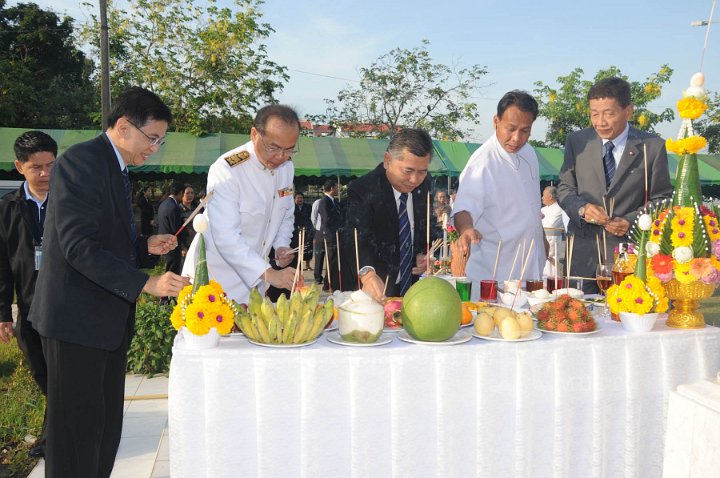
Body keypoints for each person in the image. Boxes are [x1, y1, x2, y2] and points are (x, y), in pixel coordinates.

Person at [28, 87, 190, 478]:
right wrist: (144, 284)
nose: (155, 149)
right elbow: (77, 246)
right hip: (75, 322)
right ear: (123, 126)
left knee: (103, 432)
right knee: (76, 438)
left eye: (161, 141)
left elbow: (105, 241)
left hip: (103, 324)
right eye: (152, 138)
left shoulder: (114, 167)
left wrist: (141, 247)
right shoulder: (82, 162)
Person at [557, 77, 673, 293]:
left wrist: (631, 221)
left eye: (609, 113)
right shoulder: (577, 142)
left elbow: (663, 199)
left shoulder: (652, 147)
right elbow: (564, 189)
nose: (600, 122)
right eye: (594, 114)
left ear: (628, 111)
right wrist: (582, 209)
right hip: (582, 258)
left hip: (629, 259)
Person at [182, 104, 299, 304]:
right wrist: (270, 274)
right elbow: (226, 237)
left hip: (256, 282)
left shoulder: (286, 168)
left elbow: (285, 212)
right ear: (254, 134)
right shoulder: (227, 170)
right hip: (214, 279)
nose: (280, 157)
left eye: (289, 150)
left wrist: (281, 245)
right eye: (274, 147)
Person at [453, 90, 546, 299]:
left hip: (531, 268)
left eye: (525, 131)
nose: (516, 138)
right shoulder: (482, 161)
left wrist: (541, 238)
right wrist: (467, 229)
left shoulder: (530, 153)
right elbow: (463, 207)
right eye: (510, 129)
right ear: (496, 121)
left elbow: (530, 205)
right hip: (495, 275)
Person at [0, 131, 57, 458]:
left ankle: (53, 437)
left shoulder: (68, 202)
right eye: (37, 167)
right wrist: (3, 313)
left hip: (65, 306)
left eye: (51, 165)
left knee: (59, 371)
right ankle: (59, 428)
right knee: (41, 370)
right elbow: (2, 266)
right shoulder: (7, 209)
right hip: (29, 306)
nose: (46, 174)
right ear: (19, 166)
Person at [341, 128, 432, 301]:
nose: (414, 180)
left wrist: (423, 253)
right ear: (387, 160)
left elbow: (423, 227)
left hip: (411, 288)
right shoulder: (363, 189)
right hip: (375, 288)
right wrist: (367, 274)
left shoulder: (425, 185)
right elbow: (355, 238)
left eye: (422, 172)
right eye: (407, 171)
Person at [157, 182, 187, 274]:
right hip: (172, 243)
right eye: (183, 194)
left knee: (169, 268)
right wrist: (183, 246)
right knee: (173, 270)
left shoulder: (164, 203)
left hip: (163, 240)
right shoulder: (174, 207)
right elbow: (176, 229)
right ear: (181, 192)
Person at [318, 179, 342, 291]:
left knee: (335, 260)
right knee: (331, 260)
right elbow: (326, 218)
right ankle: (328, 284)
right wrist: (336, 226)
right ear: (332, 188)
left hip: (337, 234)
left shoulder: (334, 201)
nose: (338, 189)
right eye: (336, 187)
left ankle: (332, 283)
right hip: (330, 235)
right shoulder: (324, 201)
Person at [541, 185, 566, 278]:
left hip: (552, 245)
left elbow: (550, 226)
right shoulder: (543, 209)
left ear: (550, 197)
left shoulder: (559, 209)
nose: (542, 197)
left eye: (543, 195)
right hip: (542, 242)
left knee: (551, 274)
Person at [293, 192, 313, 270]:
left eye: (301, 198)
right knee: (297, 248)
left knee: (308, 248)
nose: (299, 199)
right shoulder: (291, 207)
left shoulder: (308, 206)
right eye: (298, 198)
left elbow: (312, 217)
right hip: (295, 230)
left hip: (307, 229)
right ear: (294, 199)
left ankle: (308, 265)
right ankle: (298, 265)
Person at [311, 196, 324, 284]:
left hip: (330, 232)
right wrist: (316, 230)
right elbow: (313, 217)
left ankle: (328, 279)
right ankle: (317, 277)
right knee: (319, 256)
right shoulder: (318, 202)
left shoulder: (334, 202)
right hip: (319, 231)